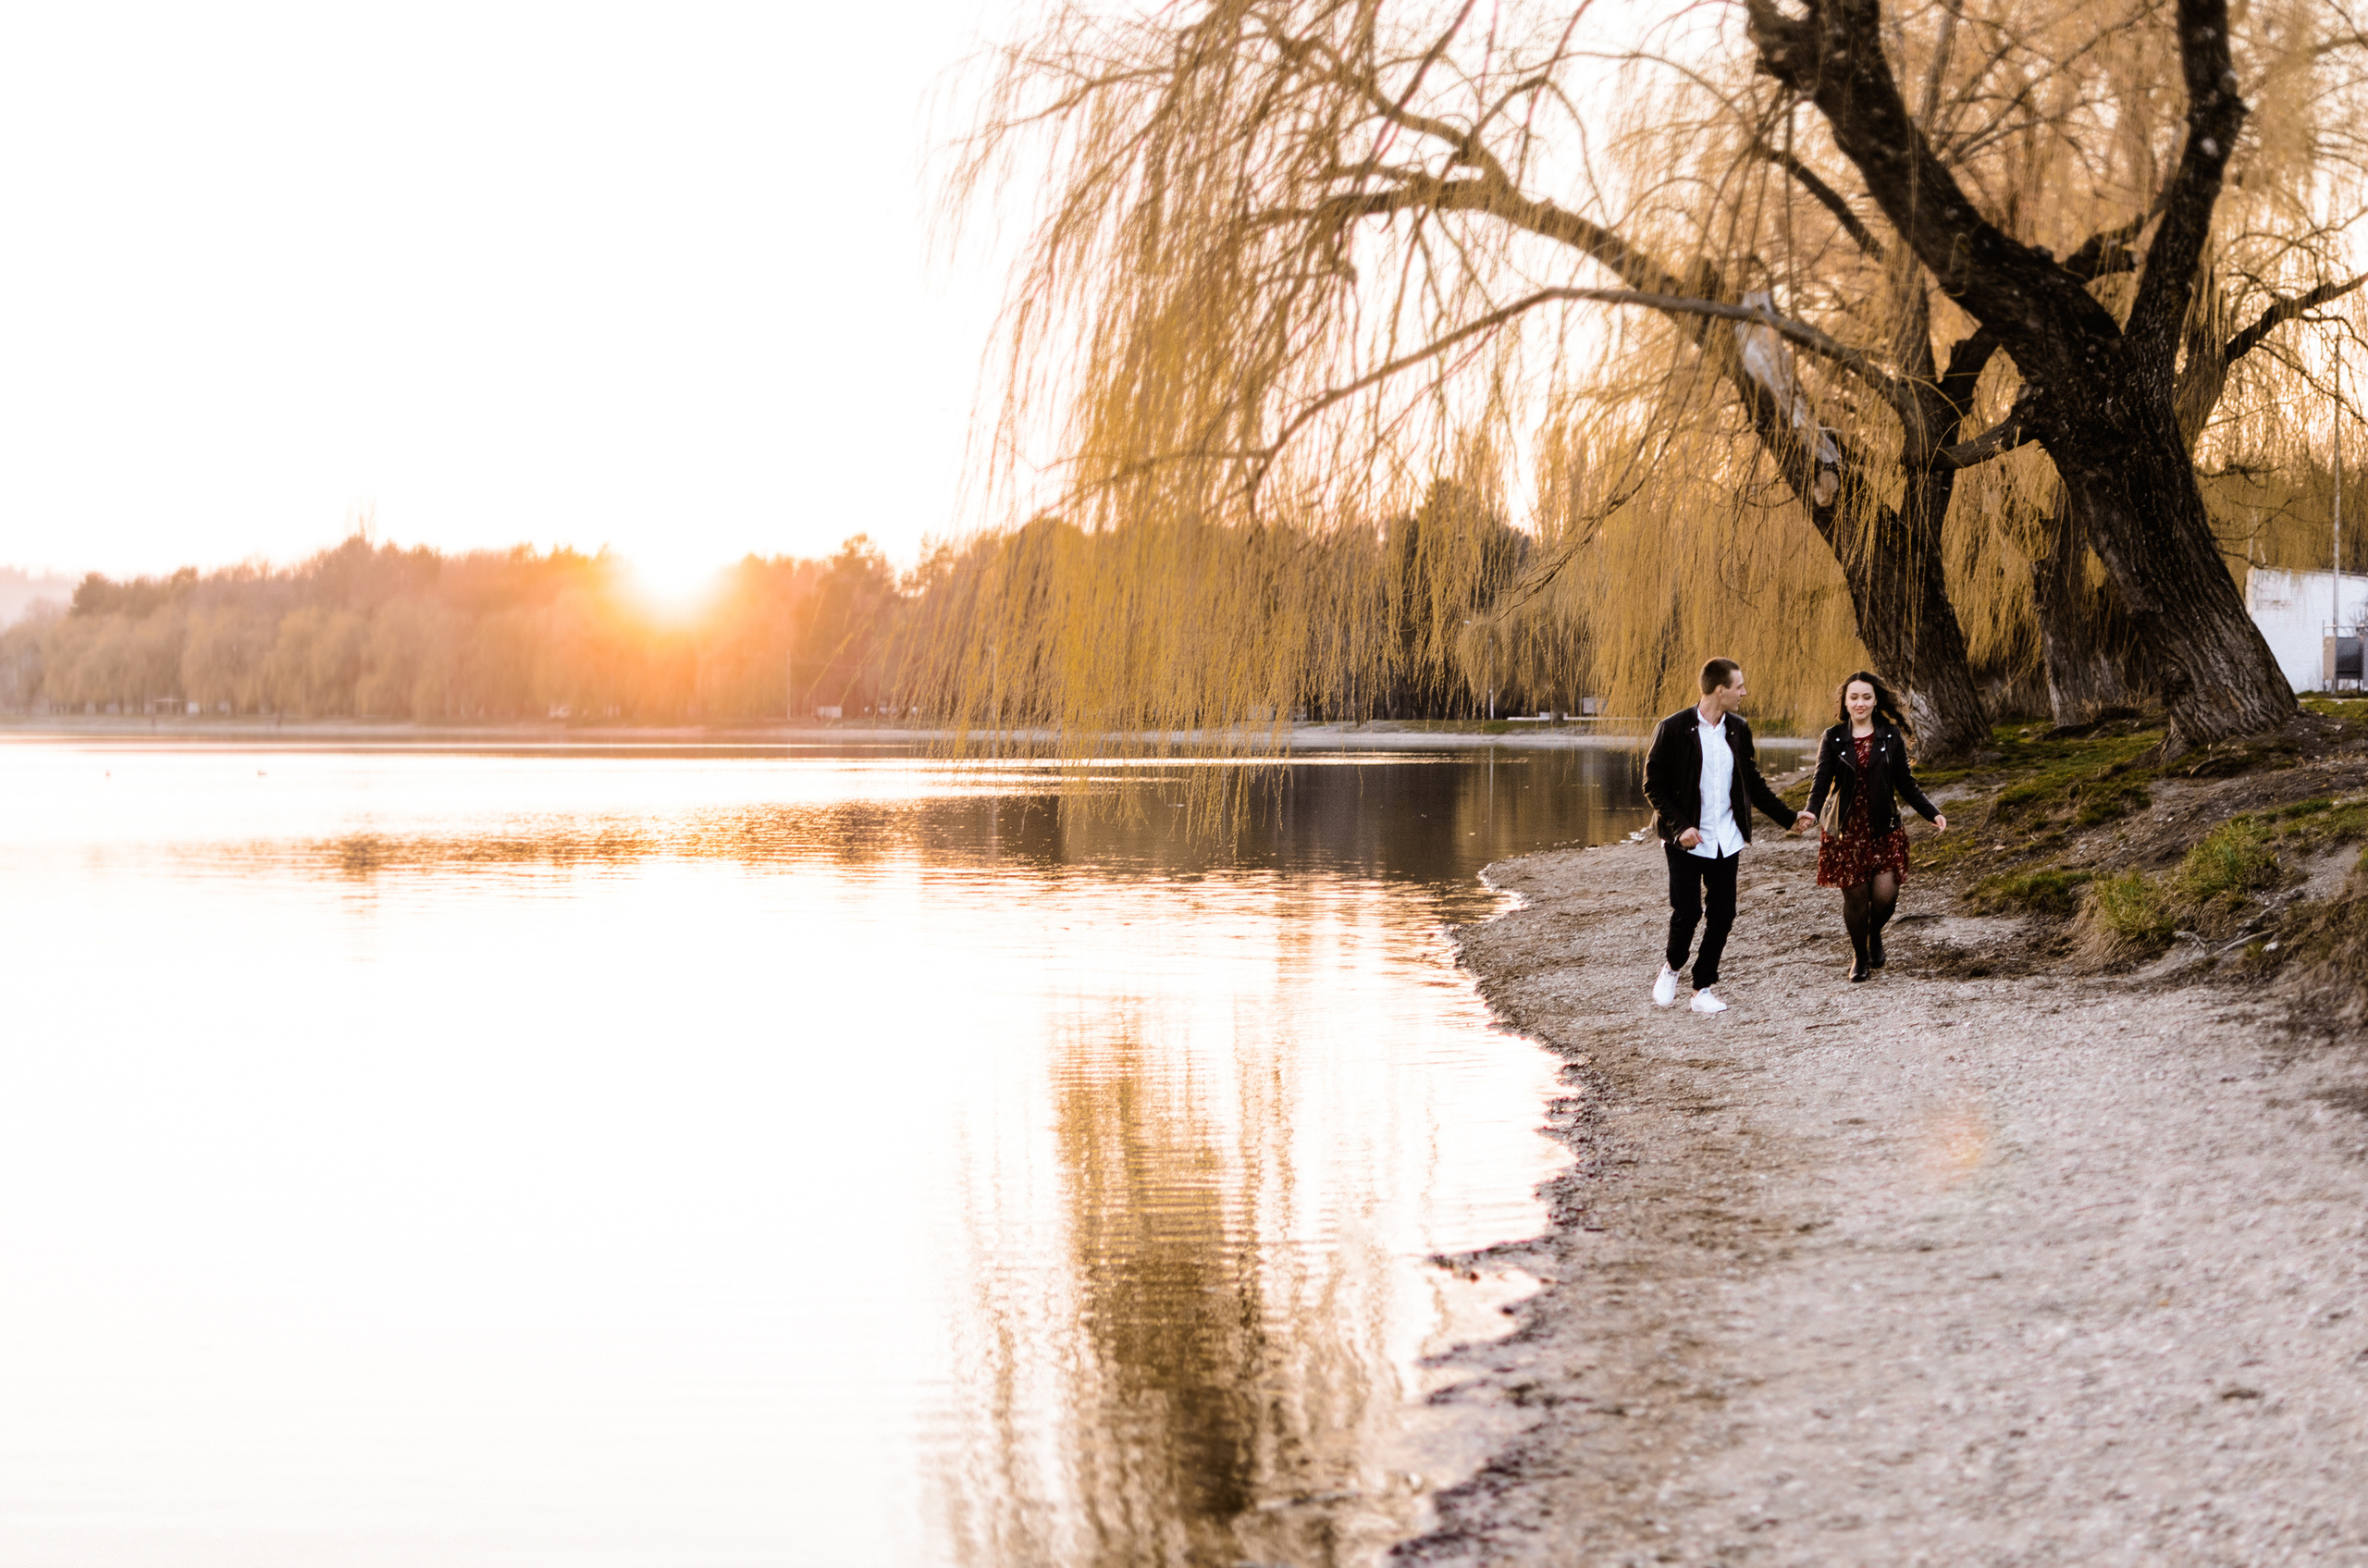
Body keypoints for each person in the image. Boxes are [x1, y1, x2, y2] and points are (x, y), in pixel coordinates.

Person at [1643, 658, 1814, 1014]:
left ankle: (1702, 987)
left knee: (1723, 914)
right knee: (1687, 912)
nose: (1744, 692)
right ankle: (1672, 967)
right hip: (1685, 839)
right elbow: (1653, 785)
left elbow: (1751, 782)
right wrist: (1681, 827)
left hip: (1727, 837)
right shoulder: (1673, 728)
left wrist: (1789, 819)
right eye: (1739, 686)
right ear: (1720, 690)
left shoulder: (1738, 728)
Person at [1807, 671, 1948, 982]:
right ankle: (1859, 955)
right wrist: (1810, 812)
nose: (1860, 703)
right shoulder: (1833, 737)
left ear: (1875, 701)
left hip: (1884, 828)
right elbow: (1820, 784)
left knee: (1885, 898)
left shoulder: (1889, 736)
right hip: (1845, 831)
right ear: (1845, 701)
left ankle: (1874, 934)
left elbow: (1905, 783)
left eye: (1866, 697)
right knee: (1856, 900)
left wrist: (1931, 812)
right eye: (1854, 697)